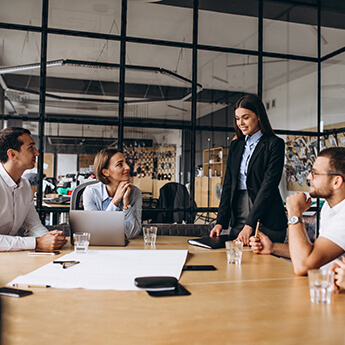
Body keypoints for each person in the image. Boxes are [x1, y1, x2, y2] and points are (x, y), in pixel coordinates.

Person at [250, 147, 345, 276]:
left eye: (315, 173)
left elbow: (302, 265)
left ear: (336, 182)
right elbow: (312, 253)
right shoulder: (329, 207)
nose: (309, 177)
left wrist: (295, 212)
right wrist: (272, 247)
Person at [210, 94, 287, 245]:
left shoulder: (274, 144)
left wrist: (250, 224)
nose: (240, 123)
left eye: (245, 117)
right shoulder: (236, 145)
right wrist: (220, 222)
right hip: (239, 213)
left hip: (268, 216)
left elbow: (268, 186)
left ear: (258, 116)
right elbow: (228, 184)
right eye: (237, 118)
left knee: (263, 266)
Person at [0, 127, 67, 252]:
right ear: (12, 154)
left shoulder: (25, 185)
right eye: (31, 147)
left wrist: (50, 238)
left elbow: (33, 224)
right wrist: (36, 243)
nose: (36, 153)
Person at [83, 148, 142, 238]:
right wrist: (115, 201)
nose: (127, 167)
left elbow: (132, 233)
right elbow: (98, 231)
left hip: (127, 249)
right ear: (105, 172)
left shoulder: (135, 193)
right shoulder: (91, 192)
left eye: (126, 162)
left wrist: (126, 204)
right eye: (119, 164)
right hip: (99, 248)